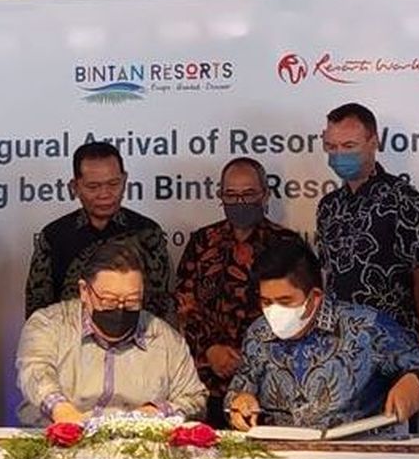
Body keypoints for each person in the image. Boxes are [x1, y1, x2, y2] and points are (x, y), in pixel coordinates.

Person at [226, 235, 419, 431]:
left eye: (285, 301)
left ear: (315, 297)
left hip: (360, 453)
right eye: (266, 302)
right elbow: (239, 390)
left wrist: (416, 379)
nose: (274, 311)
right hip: (283, 455)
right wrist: (240, 403)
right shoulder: (259, 333)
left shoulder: (364, 327)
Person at [16, 238, 206, 425]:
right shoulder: (48, 324)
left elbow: (195, 398)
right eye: (109, 300)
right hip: (56, 436)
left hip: (137, 440)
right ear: (84, 291)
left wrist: (158, 412)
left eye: (132, 300)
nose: (120, 308)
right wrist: (62, 410)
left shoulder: (164, 338)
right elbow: (35, 372)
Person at [174, 157, 300, 427]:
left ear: (265, 194)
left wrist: (249, 359)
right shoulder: (202, 242)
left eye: (248, 194)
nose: (239, 201)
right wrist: (210, 350)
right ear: (220, 196)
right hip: (207, 380)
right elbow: (185, 304)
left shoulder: (287, 244)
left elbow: (297, 310)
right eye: (231, 195)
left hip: (268, 383)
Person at [315, 103, 419, 342]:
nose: (339, 154)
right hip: (339, 340)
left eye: (349, 146)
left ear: (374, 142)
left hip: (392, 339)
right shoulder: (328, 206)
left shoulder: (404, 200)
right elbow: (328, 276)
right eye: (331, 146)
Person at [25, 141, 173, 321]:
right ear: (75, 187)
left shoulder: (148, 233)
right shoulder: (54, 236)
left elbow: (163, 310)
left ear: (125, 181)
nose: (105, 194)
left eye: (113, 184)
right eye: (93, 187)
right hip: (68, 337)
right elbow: (37, 316)